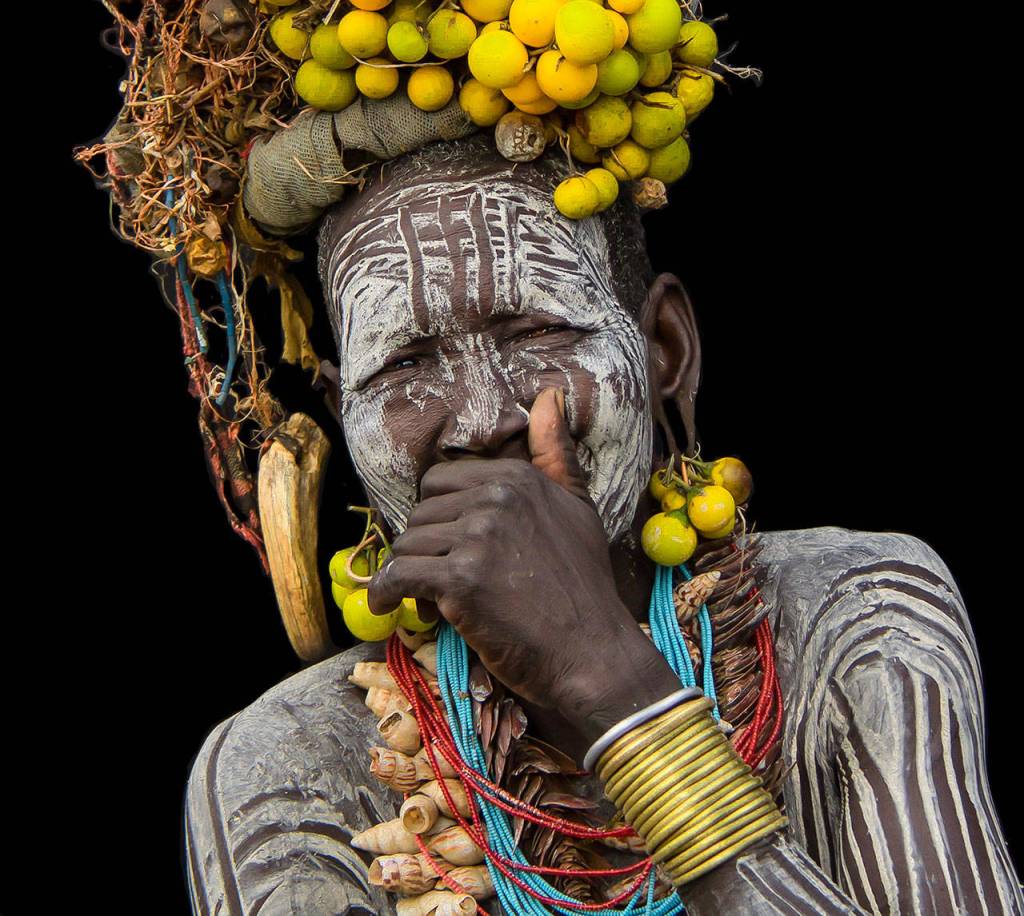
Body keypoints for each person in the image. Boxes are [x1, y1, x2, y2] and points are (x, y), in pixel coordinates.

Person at [184, 134, 1022, 915]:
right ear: (344, 415)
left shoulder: (857, 614)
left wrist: (604, 675)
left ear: (664, 348)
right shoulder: (288, 765)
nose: (482, 418)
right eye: (403, 365)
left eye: (538, 329)